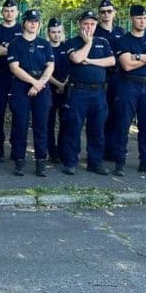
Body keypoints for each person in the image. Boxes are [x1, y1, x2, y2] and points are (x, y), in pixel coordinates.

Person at [112, 5, 146, 176]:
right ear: (131, 19)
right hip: (129, 85)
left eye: (144, 18)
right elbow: (126, 65)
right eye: (138, 18)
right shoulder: (124, 39)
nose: (142, 21)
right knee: (122, 124)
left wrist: (137, 56)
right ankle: (119, 162)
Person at [59, 10, 115, 175]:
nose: (89, 27)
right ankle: (71, 162)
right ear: (79, 25)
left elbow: (111, 61)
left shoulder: (103, 42)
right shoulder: (72, 42)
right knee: (73, 128)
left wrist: (89, 60)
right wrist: (88, 43)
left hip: (98, 93)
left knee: (97, 129)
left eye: (92, 24)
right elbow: (76, 58)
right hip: (78, 92)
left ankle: (95, 162)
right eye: (85, 24)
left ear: (96, 25)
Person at [6, 9, 55, 177]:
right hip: (21, 87)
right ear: (24, 23)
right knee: (20, 126)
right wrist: (34, 82)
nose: (34, 23)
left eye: (36, 21)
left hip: (41, 88)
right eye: (30, 20)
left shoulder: (45, 44)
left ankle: (41, 162)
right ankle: (19, 161)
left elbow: (50, 66)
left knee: (41, 126)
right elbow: (14, 68)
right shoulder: (15, 44)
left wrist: (39, 84)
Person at [0, 0, 21, 163]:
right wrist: (13, 49)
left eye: (12, 10)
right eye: (6, 10)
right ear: (2, 12)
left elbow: (23, 52)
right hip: (1, 76)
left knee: (18, 114)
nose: (9, 13)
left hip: (18, 78)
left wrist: (5, 48)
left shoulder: (22, 29)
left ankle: (16, 149)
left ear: (17, 12)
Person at [96, 0, 126, 162]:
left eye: (109, 11)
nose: (106, 14)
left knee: (117, 115)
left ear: (114, 13)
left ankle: (113, 151)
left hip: (119, 78)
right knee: (101, 116)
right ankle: (99, 151)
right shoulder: (95, 32)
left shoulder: (121, 32)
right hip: (101, 78)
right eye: (103, 11)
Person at [46, 18, 69, 164]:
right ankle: (51, 153)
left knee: (65, 122)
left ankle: (62, 152)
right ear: (48, 33)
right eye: (53, 32)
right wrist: (58, 84)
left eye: (59, 32)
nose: (56, 35)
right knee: (49, 122)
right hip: (49, 89)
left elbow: (73, 67)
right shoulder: (45, 47)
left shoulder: (67, 48)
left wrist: (64, 84)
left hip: (65, 90)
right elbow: (44, 71)